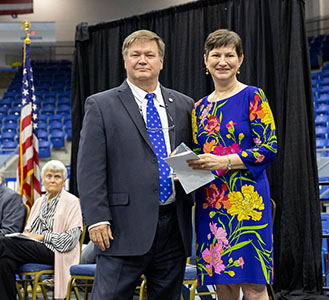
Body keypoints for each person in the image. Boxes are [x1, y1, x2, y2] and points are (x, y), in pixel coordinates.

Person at [77, 29, 194, 300]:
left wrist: (190, 177)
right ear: (125, 61)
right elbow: (89, 168)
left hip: (173, 228)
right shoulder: (101, 105)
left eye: (150, 55)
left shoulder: (184, 105)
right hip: (120, 228)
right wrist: (96, 219)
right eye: (135, 54)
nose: (143, 60)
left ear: (161, 62)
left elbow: (188, 157)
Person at [187, 29, 278, 300]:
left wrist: (224, 161)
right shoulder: (199, 108)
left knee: (253, 286)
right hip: (211, 205)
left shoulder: (253, 96)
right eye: (216, 55)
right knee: (223, 286)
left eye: (230, 55)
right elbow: (197, 151)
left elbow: (268, 148)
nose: (222, 61)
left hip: (247, 205)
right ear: (205, 61)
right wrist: (186, 169)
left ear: (241, 60)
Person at [0, 160, 83, 300]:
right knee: (3, 261)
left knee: (3, 243)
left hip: (55, 250)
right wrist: (28, 236)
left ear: (64, 181)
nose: (52, 180)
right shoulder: (39, 202)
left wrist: (43, 237)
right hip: (33, 247)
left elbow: (71, 240)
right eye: (49, 176)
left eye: (57, 177)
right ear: (43, 180)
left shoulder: (72, 202)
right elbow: (29, 230)